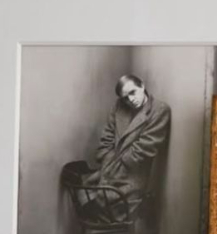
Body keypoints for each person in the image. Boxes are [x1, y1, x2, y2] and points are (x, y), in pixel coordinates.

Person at [64, 74, 171, 223]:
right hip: (109, 169)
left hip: (131, 178)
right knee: (79, 189)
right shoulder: (119, 106)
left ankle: (98, 202)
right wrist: (108, 162)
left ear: (142, 86)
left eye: (133, 92)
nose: (130, 100)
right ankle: (94, 199)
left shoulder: (159, 110)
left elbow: (141, 152)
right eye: (125, 98)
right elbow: (106, 139)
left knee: (98, 203)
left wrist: (111, 168)